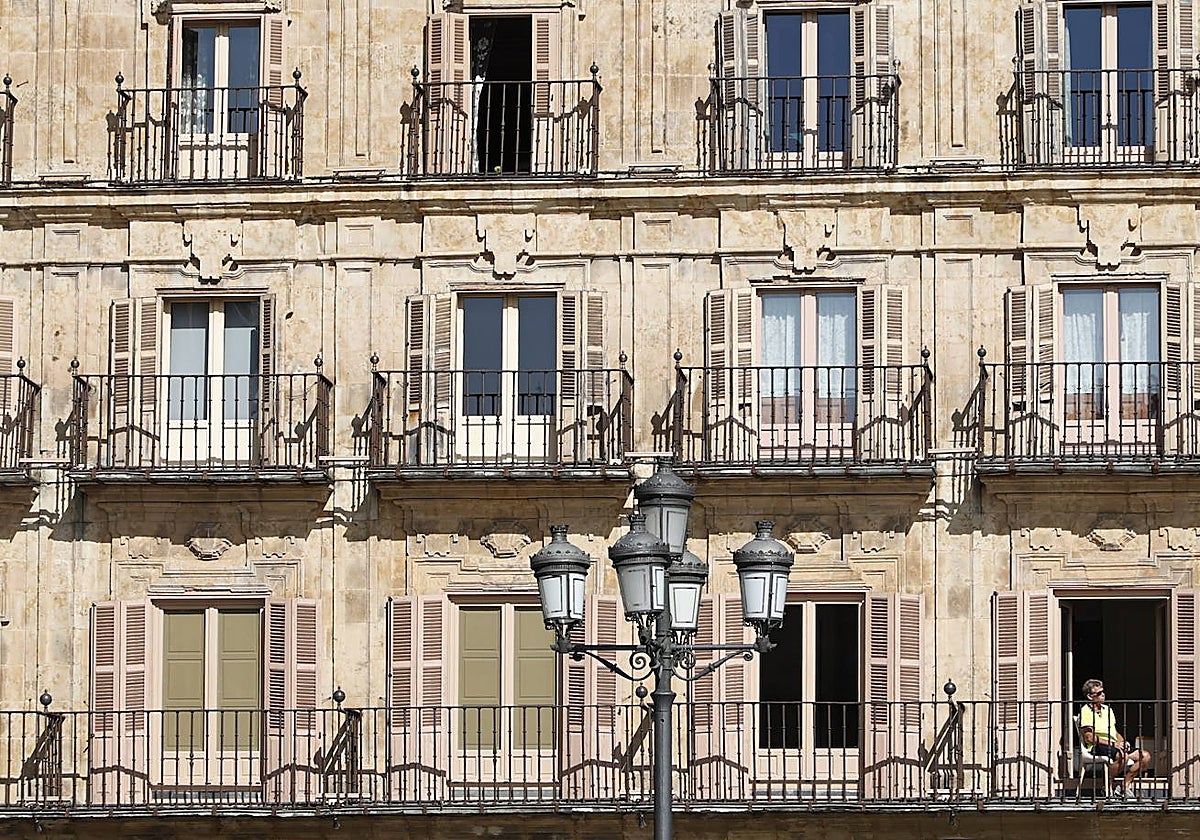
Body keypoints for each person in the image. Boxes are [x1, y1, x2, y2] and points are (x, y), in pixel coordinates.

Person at [1078, 678, 1153, 795]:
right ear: (1090, 696)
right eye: (1099, 693)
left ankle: (1125, 785)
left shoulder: (1107, 710)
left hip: (1113, 744)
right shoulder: (1085, 711)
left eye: (1103, 692)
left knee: (1145, 756)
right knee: (1122, 756)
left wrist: (1123, 742)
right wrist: (1114, 744)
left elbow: (1114, 732)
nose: (1103, 695)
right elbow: (1089, 738)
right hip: (1097, 746)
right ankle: (1107, 786)